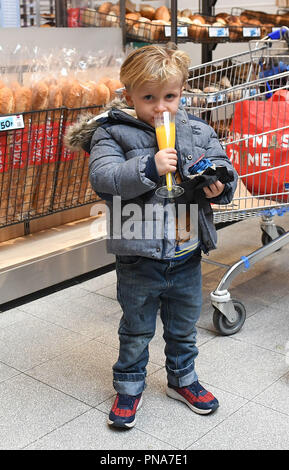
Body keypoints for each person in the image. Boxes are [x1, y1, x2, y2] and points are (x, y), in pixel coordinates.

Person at [66, 44, 238, 429]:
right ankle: (129, 385)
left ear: (183, 92)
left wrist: (220, 183)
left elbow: (223, 164)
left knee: (183, 325)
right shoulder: (112, 134)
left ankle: (183, 379)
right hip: (138, 255)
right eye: (148, 98)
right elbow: (104, 180)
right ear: (129, 96)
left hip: (187, 251)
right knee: (137, 327)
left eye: (170, 97)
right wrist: (148, 164)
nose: (161, 107)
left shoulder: (196, 130)